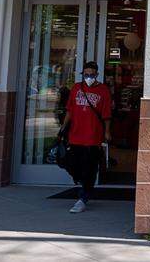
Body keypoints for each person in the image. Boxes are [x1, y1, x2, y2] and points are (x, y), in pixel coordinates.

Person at [59, 60, 111, 214]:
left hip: (93, 137)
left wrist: (107, 131)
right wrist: (63, 127)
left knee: (89, 167)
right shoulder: (76, 88)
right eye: (86, 75)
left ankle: (83, 197)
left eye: (92, 75)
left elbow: (107, 114)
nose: (89, 77)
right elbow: (70, 110)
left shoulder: (103, 90)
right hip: (75, 134)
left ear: (97, 75)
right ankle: (82, 182)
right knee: (71, 164)